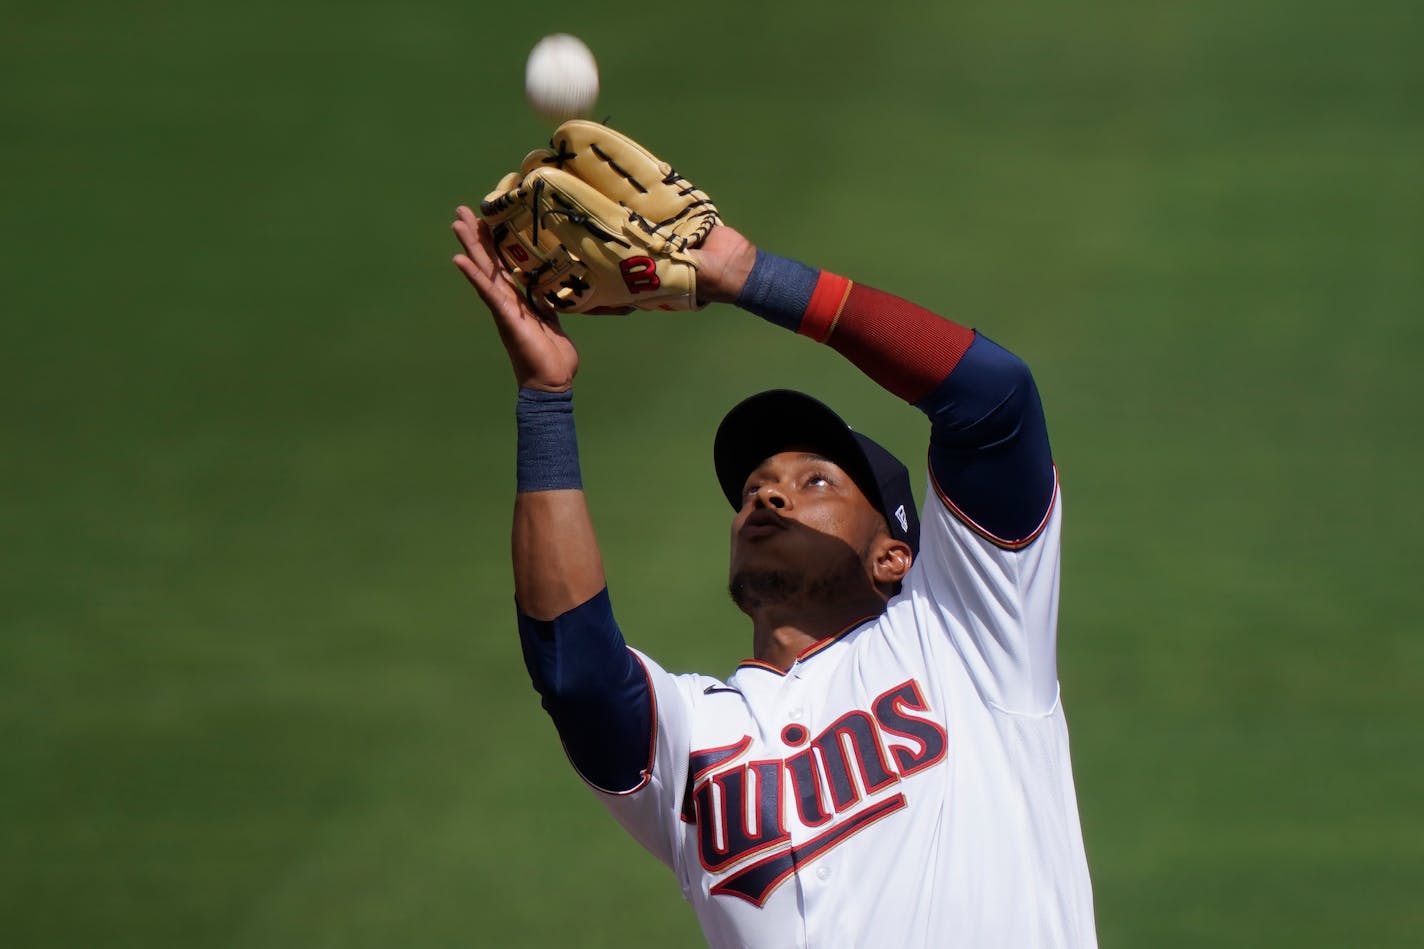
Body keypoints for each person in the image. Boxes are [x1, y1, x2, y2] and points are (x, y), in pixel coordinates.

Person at [451, 192, 1098, 947]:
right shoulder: (694, 736)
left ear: (895, 553)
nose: (767, 491)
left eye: (814, 481)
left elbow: (995, 400)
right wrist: (545, 403)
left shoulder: (968, 631)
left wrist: (754, 276)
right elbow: (577, 672)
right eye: (756, 484)